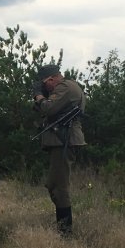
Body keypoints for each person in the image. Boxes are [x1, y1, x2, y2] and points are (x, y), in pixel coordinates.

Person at [33, 63, 85, 235]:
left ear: (53, 78)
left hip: (64, 141)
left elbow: (48, 108)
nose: (47, 87)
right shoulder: (67, 87)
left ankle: (65, 232)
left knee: (59, 187)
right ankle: (63, 227)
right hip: (61, 140)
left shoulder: (65, 87)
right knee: (54, 185)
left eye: (46, 83)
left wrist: (39, 96)